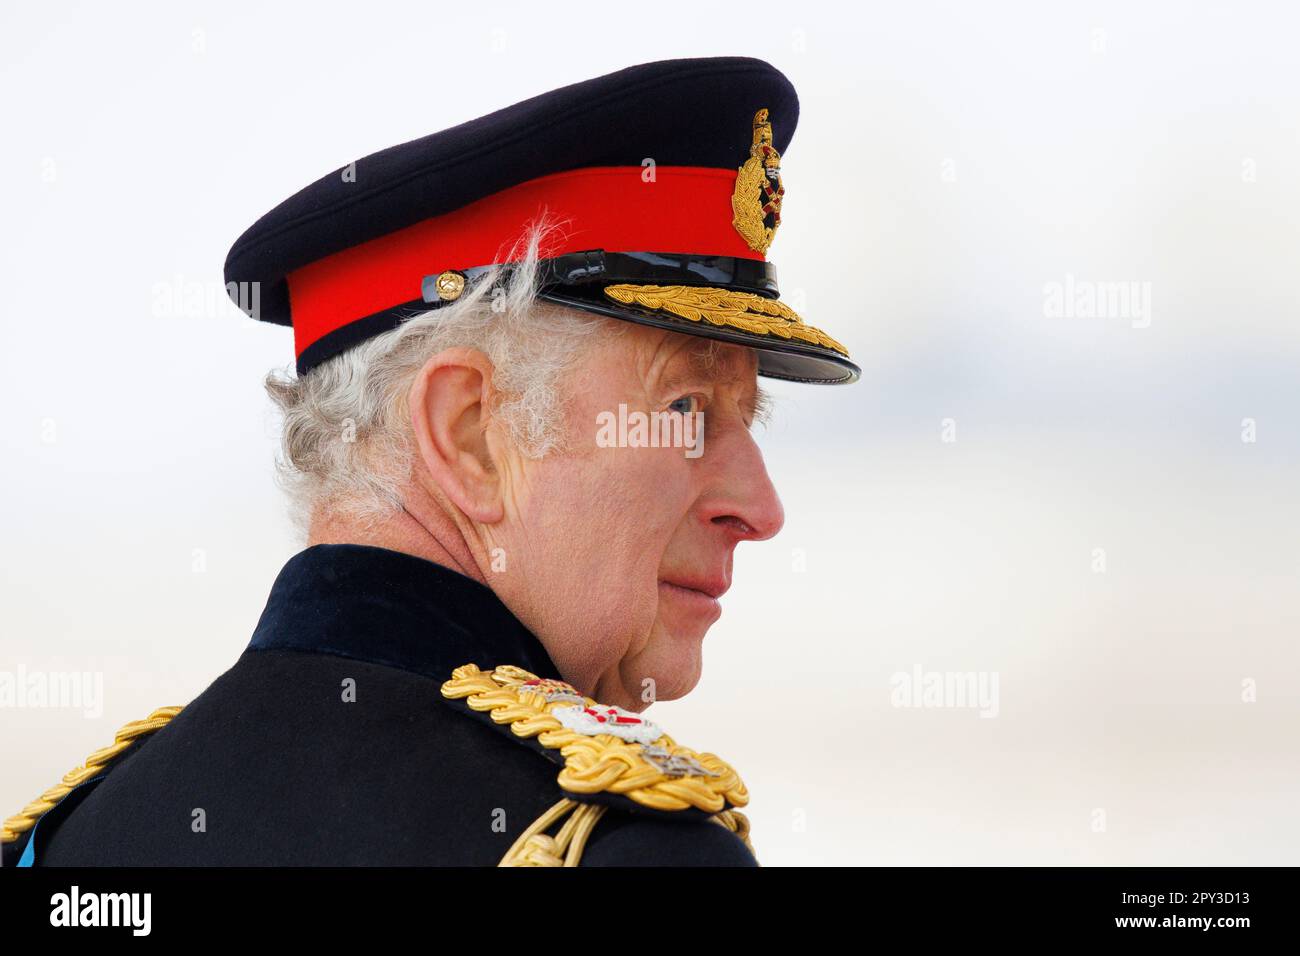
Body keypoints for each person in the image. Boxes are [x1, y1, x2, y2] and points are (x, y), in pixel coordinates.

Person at [1, 55, 858, 867]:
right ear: (470, 436)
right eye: (685, 411)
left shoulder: (71, 837)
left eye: (748, 420)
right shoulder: (619, 849)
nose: (760, 508)